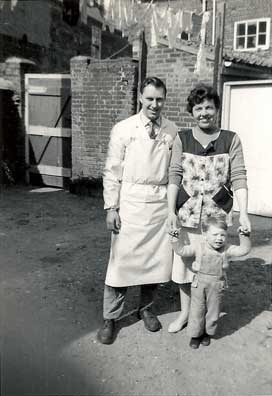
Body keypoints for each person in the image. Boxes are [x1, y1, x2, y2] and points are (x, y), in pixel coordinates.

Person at [97, 76, 178, 344]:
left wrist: (172, 209)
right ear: (140, 98)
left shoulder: (172, 130)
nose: (155, 104)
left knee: (154, 263)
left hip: (159, 204)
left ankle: (146, 309)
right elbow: (112, 171)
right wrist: (112, 207)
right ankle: (110, 318)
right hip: (130, 202)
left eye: (159, 99)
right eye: (150, 98)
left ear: (164, 100)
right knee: (121, 264)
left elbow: (175, 172)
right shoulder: (123, 129)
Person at [167, 84, 251, 333]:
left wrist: (244, 213)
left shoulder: (231, 139)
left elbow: (239, 177)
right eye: (198, 108)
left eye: (209, 107)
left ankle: (206, 317)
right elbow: (174, 175)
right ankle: (186, 314)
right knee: (185, 266)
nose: (204, 112)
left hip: (217, 219)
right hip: (188, 212)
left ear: (216, 109)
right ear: (191, 111)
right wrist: (170, 211)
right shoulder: (182, 138)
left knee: (212, 266)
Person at [169, 216, 251, 348]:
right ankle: (196, 335)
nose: (219, 238)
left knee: (213, 311)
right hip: (199, 285)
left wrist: (244, 235)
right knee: (197, 310)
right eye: (215, 235)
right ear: (205, 235)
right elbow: (182, 250)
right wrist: (175, 238)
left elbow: (243, 250)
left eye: (223, 235)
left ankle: (207, 333)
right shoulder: (198, 247)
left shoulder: (227, 249)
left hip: (217, 286)